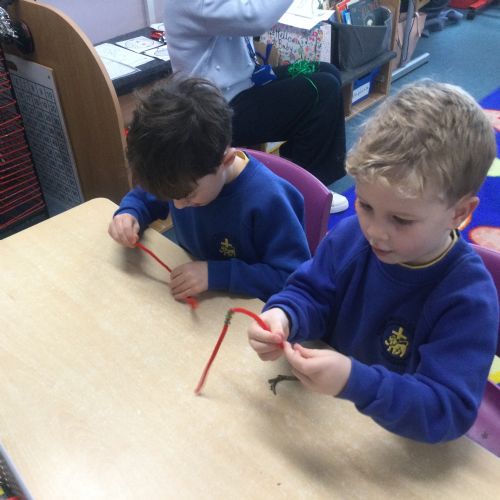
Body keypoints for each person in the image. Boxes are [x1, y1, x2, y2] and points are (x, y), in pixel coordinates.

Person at [247, 80, 499, 443]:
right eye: (365, 205)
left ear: (459, 213)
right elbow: (310, 293)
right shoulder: (352, 237)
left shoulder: (468, 299)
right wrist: (284, 316)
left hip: (400, 443)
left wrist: (356, 381)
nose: (375, 232)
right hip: (326, 419)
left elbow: (446, 410)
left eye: (401, 220)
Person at [108, 74, 311, 302]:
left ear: (226, 161)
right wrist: (130, 213)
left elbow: (289, 277)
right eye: (171, 196)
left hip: (254, 310)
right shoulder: (183, 177)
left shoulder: (268, 199)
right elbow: (147, 196)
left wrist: (215, 274)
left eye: (188, 195)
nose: (178, 206)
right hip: (203, 294)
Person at [162, 0, 349, 214]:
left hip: (242, 84)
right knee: (322, 90)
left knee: (327, 72)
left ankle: (301, 176)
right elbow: (256, 18)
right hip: (213, 112)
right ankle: (308, 194)